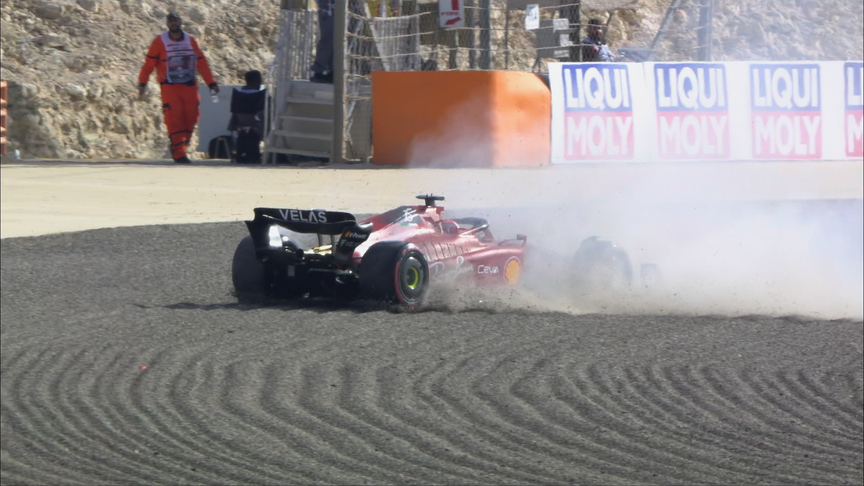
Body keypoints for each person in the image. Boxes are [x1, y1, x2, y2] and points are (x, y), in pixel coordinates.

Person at [138, 12, 219, 163]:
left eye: (176, 21)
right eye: (171, 21)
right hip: (170, 87)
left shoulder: (190, 40)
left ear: (180, 22)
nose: (173, 23)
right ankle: (178, 152)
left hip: (189, 85)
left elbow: (201, 62)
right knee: (174, 118)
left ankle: (181, 146)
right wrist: (143, 83)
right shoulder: (159, 41)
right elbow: (149, 64)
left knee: (192, 116)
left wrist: (211, 82)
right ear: (167, 23)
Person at [227, 70, 266, 164]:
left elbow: (234, 112)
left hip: (239, 124)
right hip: (256, 124)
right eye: (260, 79)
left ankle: (241, 152)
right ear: (256, 81)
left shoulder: (238, 94)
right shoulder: (259, 94)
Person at [310, 0, 334, 83]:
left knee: (335, 39)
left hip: (335, 7)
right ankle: (319, 70)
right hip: (329, 7)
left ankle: (332, 70)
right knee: (328, 38)